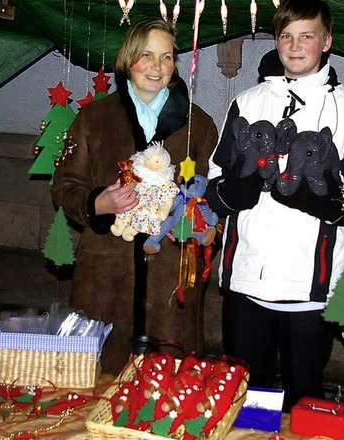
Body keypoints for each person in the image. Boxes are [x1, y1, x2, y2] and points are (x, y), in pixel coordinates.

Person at [204, 0, 344, 412]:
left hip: (309, 289)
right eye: (286, 36)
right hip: (246, 282)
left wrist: (308, 196)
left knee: (304, 407)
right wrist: (239, 189)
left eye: (307, 35)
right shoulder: (246, 101)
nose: (295, 46)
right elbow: (214, 186)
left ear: (327, 41)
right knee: (246, 406)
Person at [51, 18, 218, 376]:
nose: (157, 67)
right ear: (128, 60)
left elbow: (211, 195)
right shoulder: (93, 118)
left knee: (167, 386)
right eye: (146, 55)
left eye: (167, 57)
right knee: (97, 380)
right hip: (105, 275)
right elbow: (64, 186)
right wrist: (100, 203)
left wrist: (200, 224)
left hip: (170, 277)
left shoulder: (199, 125)